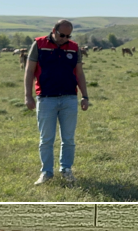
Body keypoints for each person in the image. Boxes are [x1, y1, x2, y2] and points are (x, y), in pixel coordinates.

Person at [24, 19, 90, 185]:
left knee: (68, 139)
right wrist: (28, 95)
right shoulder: (39, 44)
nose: (65, 38)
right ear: (54, 30)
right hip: (46, 99)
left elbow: (79, 73)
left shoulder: (74, 47)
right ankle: (46, 172)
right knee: (46, 139)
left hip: (69, 98)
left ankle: (66, 169)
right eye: (62, 35)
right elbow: (29, 71)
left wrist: (85, 96)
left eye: (68, 36)